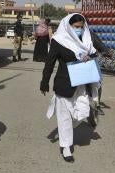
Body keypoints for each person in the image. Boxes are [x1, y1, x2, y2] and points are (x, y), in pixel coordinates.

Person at [40, 13, 100, 163]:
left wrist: (89, 57)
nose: (79, 30)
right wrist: (44, 82)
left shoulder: (86, 40)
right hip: (65, 83)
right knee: (64, 116)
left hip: (82, 84)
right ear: (69, 26)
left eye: (81, 27)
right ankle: (66, 147)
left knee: (83, 113)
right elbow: (50, 62)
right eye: (76, 27)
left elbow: (95, 54)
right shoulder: (59, 40)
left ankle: (64, 131)